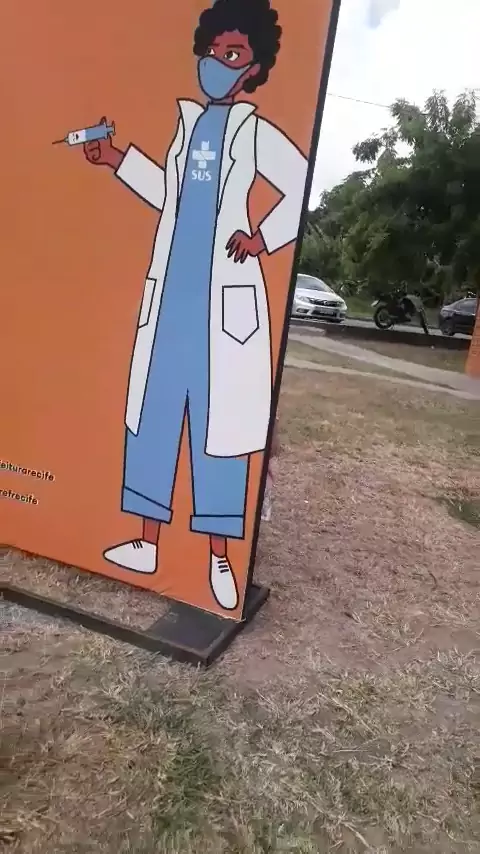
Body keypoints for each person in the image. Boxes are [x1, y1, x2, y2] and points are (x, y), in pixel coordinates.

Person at [82, 0, 307, 611]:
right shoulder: (188, 126)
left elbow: (300, 182)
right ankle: (146, 541)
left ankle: (221, 559)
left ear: (253, 68)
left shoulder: (253, 132)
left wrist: (261, 237)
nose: (218, 63)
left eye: (233, 54)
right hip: (170, 306)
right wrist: (116, 159)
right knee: (153, 419)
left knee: (218, 436)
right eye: (213, 51)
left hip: (222, 311)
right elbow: (170, 195)